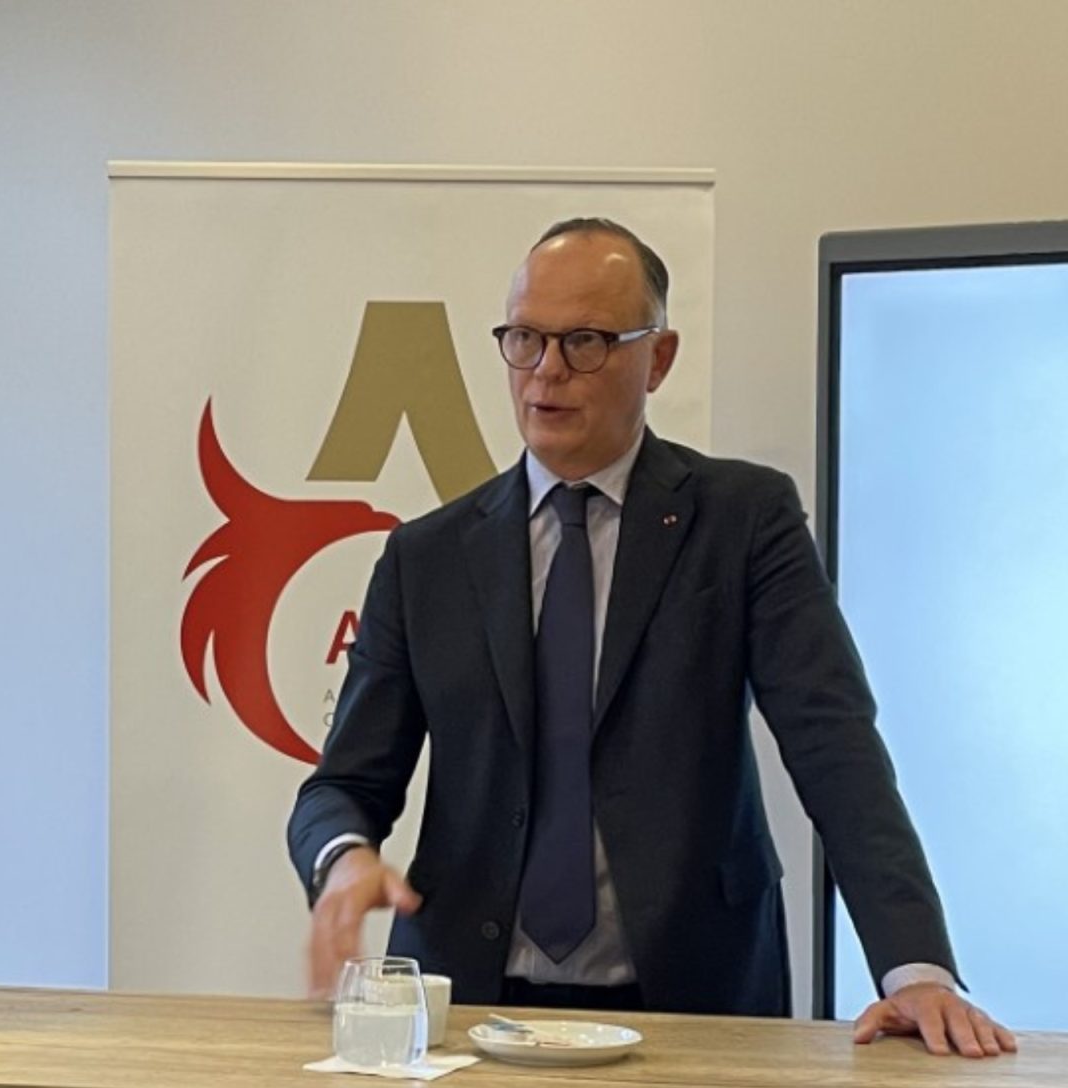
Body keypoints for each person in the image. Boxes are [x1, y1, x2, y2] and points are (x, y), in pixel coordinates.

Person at [286, 218, 1016, 1058]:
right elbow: (343, 784)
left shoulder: (744, 521)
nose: (546, 370)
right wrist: (345, 858)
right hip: (471, 1012)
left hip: (695, 1001)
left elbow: (835, 746)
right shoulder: (428, 557)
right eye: (525, 339)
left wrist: (913, 966)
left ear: (658, 358)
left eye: (585, 342)